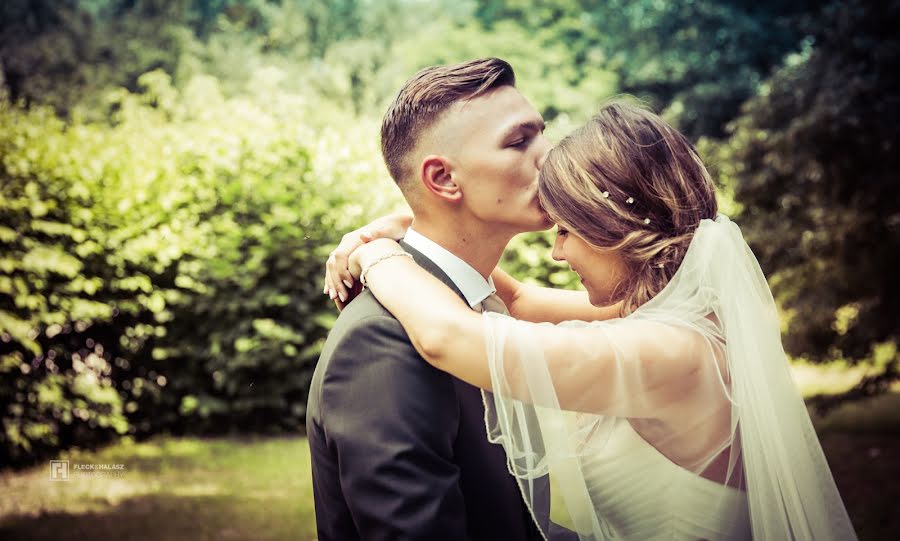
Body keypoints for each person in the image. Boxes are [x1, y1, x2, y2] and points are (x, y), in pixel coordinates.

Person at [326, 100, 858, 540]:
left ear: (614, 228)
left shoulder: (670, 354)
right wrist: (408, 230)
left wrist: (372, 257)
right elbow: (520, 301)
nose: (557, 253)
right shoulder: (687, 314)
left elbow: (450, 337)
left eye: (565, 230)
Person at [307, 57, 602, 541]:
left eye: (541, 134)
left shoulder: (479, 304)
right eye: (519, 141)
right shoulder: (380, 343)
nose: (550, 155)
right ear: (443, 179)